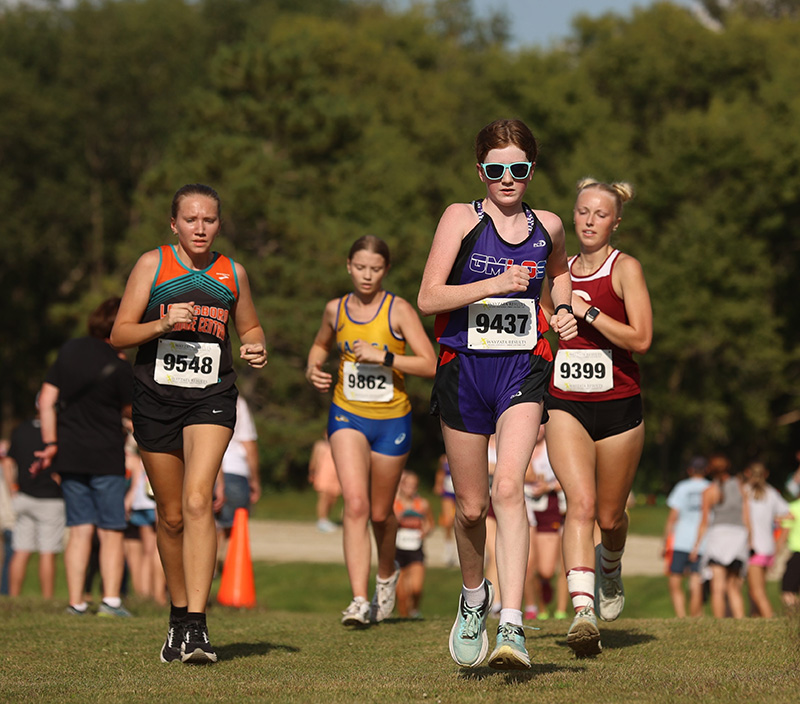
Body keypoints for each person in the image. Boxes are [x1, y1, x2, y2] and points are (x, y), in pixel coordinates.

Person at [417, 118, 577, 670]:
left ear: (531, 170)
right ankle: (473, 597)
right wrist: (494, 283)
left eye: (518, 169)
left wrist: (562, 315)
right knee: (470, 507)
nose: (507, 179)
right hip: (464, 368)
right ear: (480, 170)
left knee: (510, 486)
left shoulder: (549, 225)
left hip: (522, 369)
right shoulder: (462, 218)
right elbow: (428, 297)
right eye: (496, 169)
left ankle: (513, 625)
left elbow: (557, 280)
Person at [110, 183, 267, 664]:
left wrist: (256, 346)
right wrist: (161, 324)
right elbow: (119, 334)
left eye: (210, 220)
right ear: (173, 223)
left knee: (201, 500)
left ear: (219, 223)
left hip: (212, 398)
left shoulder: (231, 272)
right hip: (155, 398)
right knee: (172, 514)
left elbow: (252, 327)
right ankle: (178, 615)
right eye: (192, 219)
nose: (201, 228)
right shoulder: (152, 265)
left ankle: (198, 627)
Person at [544, 177, 653, 656]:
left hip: (619, 405)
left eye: (600, 214)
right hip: (565, 400)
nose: (590, 221)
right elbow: (542, 319)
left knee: (610, 517)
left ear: (615, 222)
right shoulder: (557, 271)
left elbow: (642, 339)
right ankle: (583, 612)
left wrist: (587, 314)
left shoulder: (624, 268)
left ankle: (610, 567)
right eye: (583, 212)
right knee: (580, 505)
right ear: (574, 216)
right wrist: (552, 317)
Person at [306, 235, 437, 627]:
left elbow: (431, 363)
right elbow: (320, 344)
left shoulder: (399, 311)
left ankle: (385, 576)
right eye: (360, 267)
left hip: (392, 420)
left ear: (386, 270)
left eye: (375, 269)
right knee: (356, 506)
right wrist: (313, 367)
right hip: (347, 415)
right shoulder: (336, 309)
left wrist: (384, 355)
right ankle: (359, 600)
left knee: (381, 514)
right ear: (348, 266)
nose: (367, 275)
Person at [37, 297, 134, 617]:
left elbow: (46, 401)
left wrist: (51, 442)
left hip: (70, 453)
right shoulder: (121, 366)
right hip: (106, 454)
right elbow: (130, 412)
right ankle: (110, 601)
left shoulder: (70, 350)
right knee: (111, 529)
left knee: (78, 529)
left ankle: (76, 602)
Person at [2, 400, 66, 598]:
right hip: (51, 500)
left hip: (23, 496)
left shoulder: (20, 429)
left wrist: (13, 486)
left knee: (21, 550)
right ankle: (47, 599)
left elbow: (9, 462)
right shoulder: (59, 431)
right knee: (47, 552)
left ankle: (13, 598)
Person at [690, 454, 750, 619]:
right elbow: (746, 516)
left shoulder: (708, 491)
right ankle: (741, 621)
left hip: (719, 537)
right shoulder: (740, 486)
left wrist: (696, 546)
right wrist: (749, 540)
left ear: (710, 470)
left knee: (718, 587)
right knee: (734, 587)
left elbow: (704, 522)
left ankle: (720, 623)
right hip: (738, 536)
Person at [523, 425, 568, 621]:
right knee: (528, 564)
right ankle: (536, 609)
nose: (539, 428)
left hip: (549, 507)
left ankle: (546, 589)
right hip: (523, 507)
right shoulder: (518, 444)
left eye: (542, 423)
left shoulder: (555, 448)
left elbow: (568, 476)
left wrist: (547, 486)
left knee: (546, 570)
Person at [662, 455, 710, 618]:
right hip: (703, 541)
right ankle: (695, 615)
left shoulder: (682, 487)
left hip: (681, 541)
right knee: (696, 581)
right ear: (706, 470)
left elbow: (672, 517)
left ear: (690, 470)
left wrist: (664, 543)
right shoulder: (711, 487)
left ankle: (681, 616)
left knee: (675, 580)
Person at [216, 394, 261, 565]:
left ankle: (204, 577)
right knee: (233, 532)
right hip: (235, 470)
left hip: (205, 469)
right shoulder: (237, 401)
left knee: (205, 528)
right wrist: (255, 480)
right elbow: (248, 443)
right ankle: (225, 577)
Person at [123, 432, 166, 605]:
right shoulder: (161, 449)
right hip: (154, 500)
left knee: (147, 552)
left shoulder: (137, 456)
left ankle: (144, 595)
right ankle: (159, 596)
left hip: (140, 502)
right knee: (160, 548)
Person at [743, 461, 790, 618]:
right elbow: (788, 515)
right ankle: (755, 619)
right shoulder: (771, 493)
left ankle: (771, 620)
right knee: (756, 589)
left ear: (747, 473)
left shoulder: (744, 492)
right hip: (768, 548)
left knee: (757, 591)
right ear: (766, 474)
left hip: (753, 548)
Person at [393, 469, 434, 618]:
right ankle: (404, 618)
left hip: (416, 550)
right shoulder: (394, 505)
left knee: (416, 589)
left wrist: (426, 531)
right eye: (407, 485)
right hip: (397, 551)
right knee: (402, 593)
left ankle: (415, 610)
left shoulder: (422, 504)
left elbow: (430, 524)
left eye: (413, 485)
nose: (410, 488)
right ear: (401, 486)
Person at [308, 431, 341, 533]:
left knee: (332, 498)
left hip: (336, 475)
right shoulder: (320, 445)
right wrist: (312, 472)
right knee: (324, 497)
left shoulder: (340, 446)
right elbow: (314, 460)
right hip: (323, 474)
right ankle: (322, 520)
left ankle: (326, 519)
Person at [433, 453, 457, 567]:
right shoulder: (444, 458)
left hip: (461, 494)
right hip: (448, 493)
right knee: (448, 521)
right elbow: (441, 472)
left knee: (462, 522)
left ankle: (460, 551)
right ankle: (448, 549)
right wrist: (438, 484)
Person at [780, 496, 800, 609]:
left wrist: (776, 551)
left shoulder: (792, 508)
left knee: (788, 591)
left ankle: (794, 614)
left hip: (797, 553)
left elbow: (785, 533)